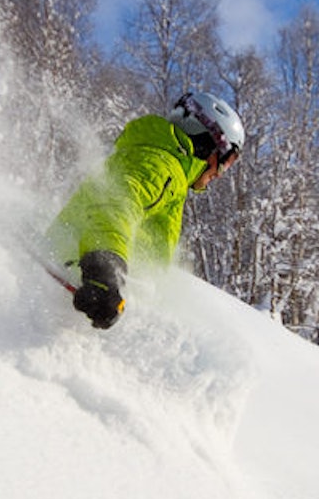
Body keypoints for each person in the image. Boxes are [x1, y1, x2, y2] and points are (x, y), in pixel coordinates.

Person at [46, 91, 245, 329]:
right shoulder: (161, 165)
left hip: (89, 290)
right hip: (84, 282)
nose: (220, 174)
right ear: (209, 143)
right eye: (227, 160)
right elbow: (116, 204)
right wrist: (103, 272)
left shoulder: (157, 161)